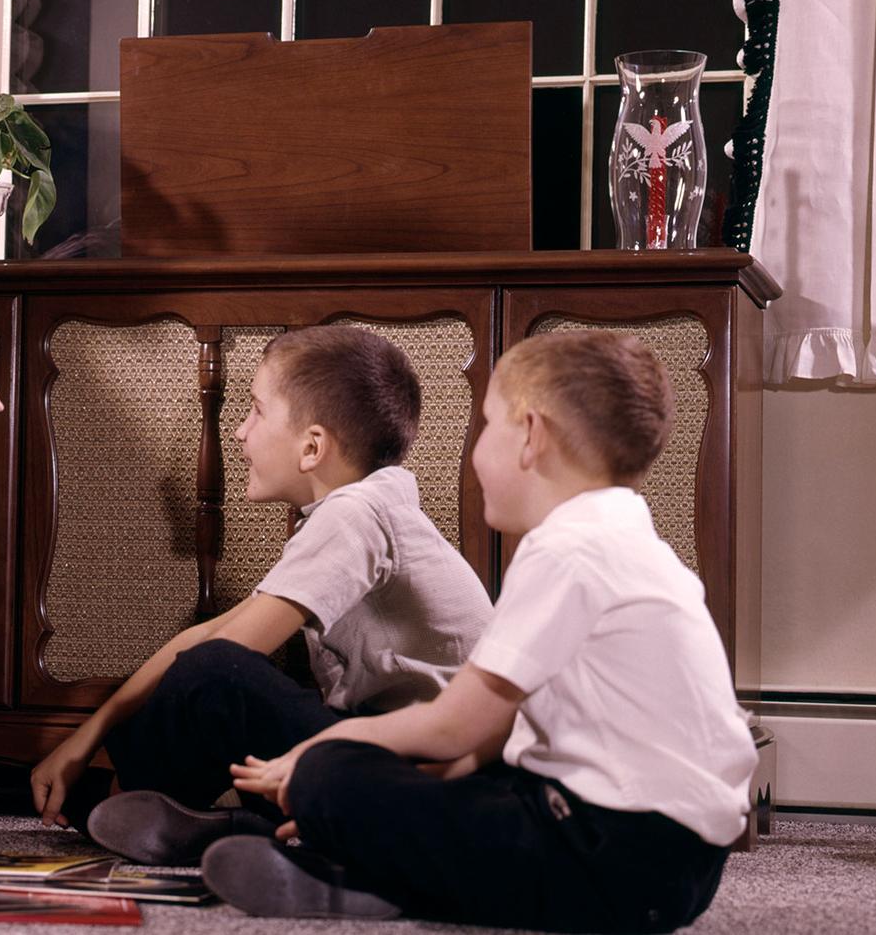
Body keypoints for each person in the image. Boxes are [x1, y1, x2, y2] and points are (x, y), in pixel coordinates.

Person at [218, 330, 757, 931]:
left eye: (487, 425)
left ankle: (366, 877)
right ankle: (362, 850)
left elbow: (454, 725)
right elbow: (492, 739)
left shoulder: (568, 550)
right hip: (670, 860)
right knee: (390, 782)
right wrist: (387, 797)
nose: (475, 453)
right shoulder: (621, 537)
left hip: (620, 859)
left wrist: (316, 757)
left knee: (329, 774)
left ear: (530, 436)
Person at [31, 326, 493, 864]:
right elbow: (208, 631)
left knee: (217, 676)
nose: (239, 432)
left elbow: (219, 655)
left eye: (255, 411)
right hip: (394, 763)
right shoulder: (362, 509)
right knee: (212, 664)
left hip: (422, 780)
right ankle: (173, 813)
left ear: (312, 447)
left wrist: (93, 743)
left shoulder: (356, 514)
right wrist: (86, 737)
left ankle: (126, 806)